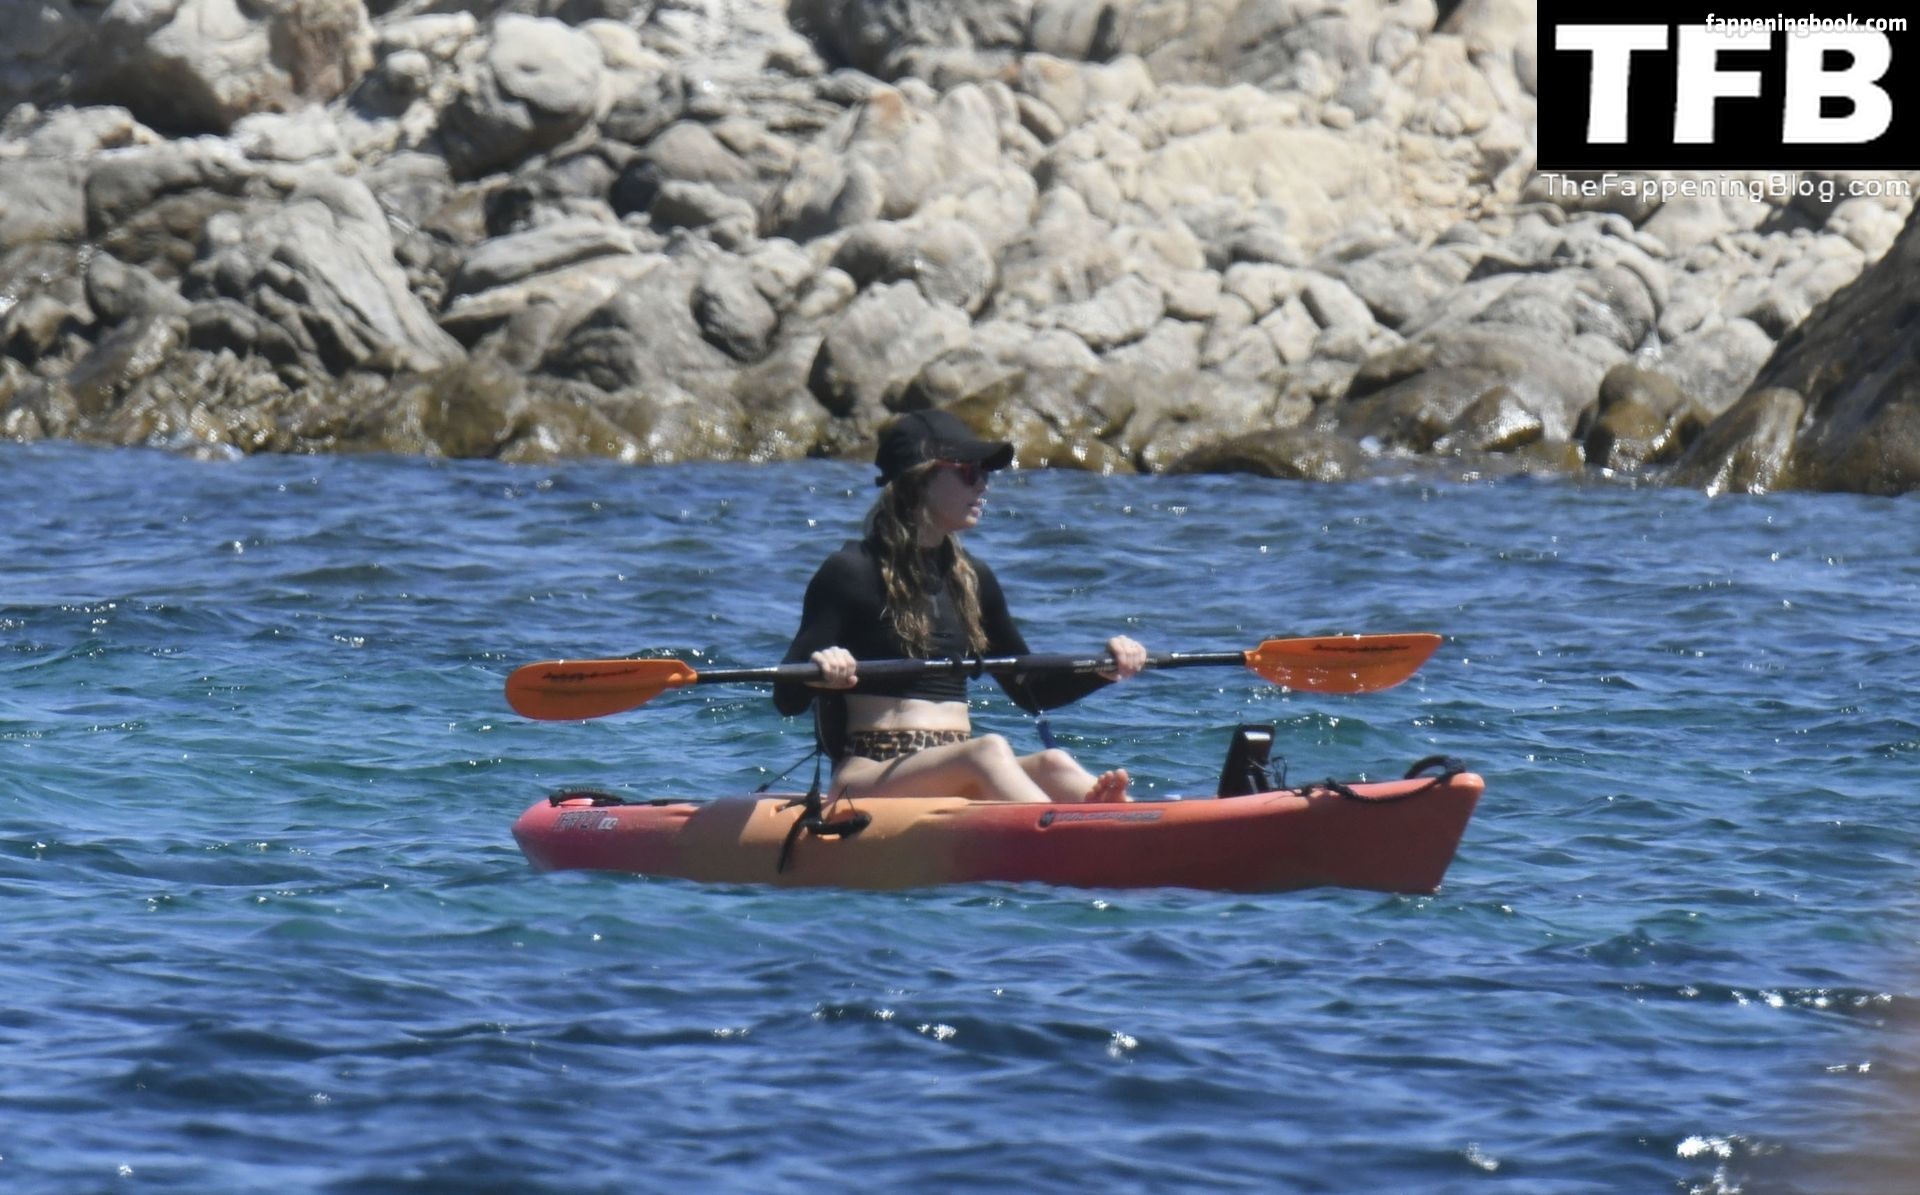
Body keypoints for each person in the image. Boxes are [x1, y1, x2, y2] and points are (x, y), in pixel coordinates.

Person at [774, 409, 1147, 804]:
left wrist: (1102, 668)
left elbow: (1029, 689)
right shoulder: (850, 572)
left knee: (1054, 763)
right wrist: (821, 671)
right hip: (868, 775)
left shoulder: (973, 578)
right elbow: (785, 697)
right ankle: (1069, 831)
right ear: (919, 482)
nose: (983, 484)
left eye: (985, 472)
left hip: (957, 767)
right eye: (969, 472)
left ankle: (1122, 824)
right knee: (987, 751)